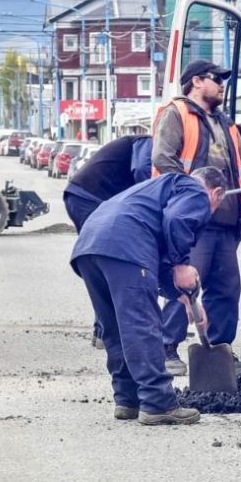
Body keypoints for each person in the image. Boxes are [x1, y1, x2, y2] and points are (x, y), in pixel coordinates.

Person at [152, 59, 241, 377]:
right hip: (192, 221)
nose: (222, 85)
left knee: (226, 289)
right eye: (216, 79)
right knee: (186, 285)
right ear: (196, 82)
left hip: (226, 224)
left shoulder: (227, 125)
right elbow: (161, 158)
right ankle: (167, 348)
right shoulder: (177, 113)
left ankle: (220, 353)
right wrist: (190, 193)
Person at [70, 166, 226, 425]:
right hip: (125, 244)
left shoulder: (159, 190)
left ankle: (127, 400)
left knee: (115, 327)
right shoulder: (196, 191)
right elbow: (177, 221)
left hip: (91, 245)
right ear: (216, 193)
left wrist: (185, 297)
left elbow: (158, 258)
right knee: (141, 324)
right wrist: (182, 263)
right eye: (217, 205)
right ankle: (157, 402)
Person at [63, 135, 152, 349]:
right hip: (89, 198)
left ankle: (102, 331)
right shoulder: (147, 141)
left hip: (82, 196)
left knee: (103, 264)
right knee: (106, 262)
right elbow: (141, 170)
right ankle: (105, 331)